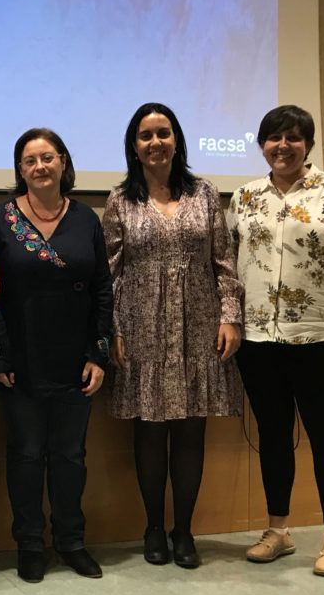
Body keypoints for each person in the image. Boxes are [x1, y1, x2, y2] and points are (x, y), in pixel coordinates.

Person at [228, 104, 324, 577]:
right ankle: (279, 530)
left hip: (319, 337)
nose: (282, 146)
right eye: (273, 138)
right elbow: (229, 270)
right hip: (258, 340)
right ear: (262, 145)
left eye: (292, 137)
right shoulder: (245, 198)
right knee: (272, 436)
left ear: (307, 143)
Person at [102, 103, 242, 569]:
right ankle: (152, 528)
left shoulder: (205, 193)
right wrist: (113, 329)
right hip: (140, 324)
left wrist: (230, 317)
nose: (155, 142)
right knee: (149, 430)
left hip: (199, 323)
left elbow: (223, 260)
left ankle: (184, 530)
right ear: (134, 146)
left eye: (163, 133)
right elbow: (110, 273)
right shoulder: (121, 199)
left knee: (190, 430)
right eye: (145, 135)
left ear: (176, 139)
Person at [0, 128, 112, 583]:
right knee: (25, 453)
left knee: (70, 455)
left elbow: (102, 289)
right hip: (19, 361)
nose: (40, 166)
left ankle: (72, 542)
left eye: (47, 157)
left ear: (63, 162)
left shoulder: (86, 219)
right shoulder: (1, 220)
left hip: (75, 360)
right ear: (20, 170)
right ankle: (30, 544)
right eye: (29, 160)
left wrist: (98, 353)